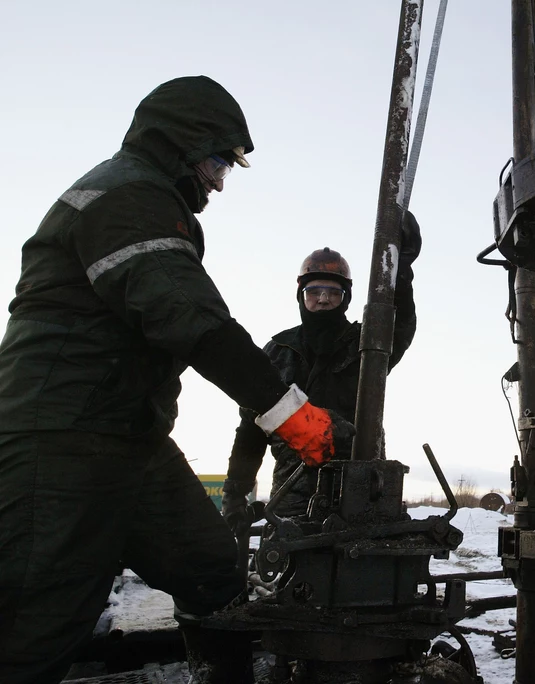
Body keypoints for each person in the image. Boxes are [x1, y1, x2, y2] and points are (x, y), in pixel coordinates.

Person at [0, 76, 353, 684]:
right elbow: (192, 320)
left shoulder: (146, 199)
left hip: (130, 441)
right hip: (59, 438)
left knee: (212, 573)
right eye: (218, 160)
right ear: (181, 144)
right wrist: (296, 417)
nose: (219, 180)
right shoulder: (127, 197)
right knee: (45, 614)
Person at [221, 220, 419, 524]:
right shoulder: (277, 351)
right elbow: (250, 430)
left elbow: (401, 324)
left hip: (359, 493)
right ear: (301, 295)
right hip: (290, 496)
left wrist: (401, 269)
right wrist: (235, 496)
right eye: (314, 291)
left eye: (333, 291)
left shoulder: (367, 345)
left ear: (346, 298)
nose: (323, 299)